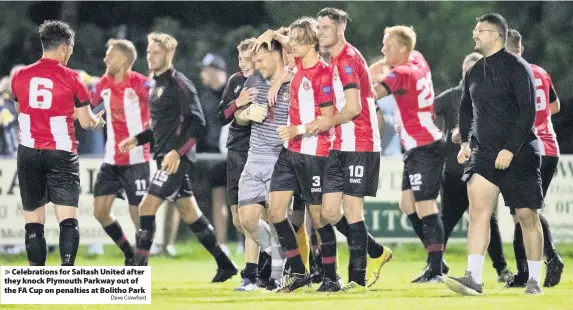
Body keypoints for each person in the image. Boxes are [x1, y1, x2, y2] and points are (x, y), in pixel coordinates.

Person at [118, 32, 237, 282]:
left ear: (169, 54)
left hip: (176, 159)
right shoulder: (156, 85)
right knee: (190, 212)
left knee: (146, 207)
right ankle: (225, 265)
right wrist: (138, 139)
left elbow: (197, 123)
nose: (150, 57)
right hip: (163, 156)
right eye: (148, 52)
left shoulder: (179, 83)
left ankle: (137, 271)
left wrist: (177, 152)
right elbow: (161, 128)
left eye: (156, 52)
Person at [445, 13, 544, 296]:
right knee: (478, 213)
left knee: (526, 216)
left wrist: (510, 149)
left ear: (496, 35)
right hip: (485, 155)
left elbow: (528, 112)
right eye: (475, 30)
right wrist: (465, 143)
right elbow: (465, 110)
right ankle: (473, 278)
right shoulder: (474, 72)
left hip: (520, 153)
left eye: (480, 31)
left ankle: (534, 280)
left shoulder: (517, 67)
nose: (475, 35)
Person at [310, 8, 392, 292]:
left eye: (325, 27)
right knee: (330, 212)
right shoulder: (332, 61)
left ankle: (357, 279)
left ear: (340, 29)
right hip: (339, 144)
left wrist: (326, 122)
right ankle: (376, 251)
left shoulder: (347, 59)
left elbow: (355, 107)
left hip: (360, 142)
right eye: (318, 28)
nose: (320, 32)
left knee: (353, 210)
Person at [12, 20, 105, 266]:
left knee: (33, 221)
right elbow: (86, 122)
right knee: (67, 219)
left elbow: (22, 111)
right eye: (71, 50)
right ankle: (65, 274)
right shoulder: (74, 78)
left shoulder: (20, 76)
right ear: (64, 47)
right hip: (61, 151)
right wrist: (97, 122)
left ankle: (36, 279)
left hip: (29, 151)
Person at [372, 26, 446, 283]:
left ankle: (435, 269)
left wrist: (360, 81)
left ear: (403, 48)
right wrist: (383, 63)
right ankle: (437, 258)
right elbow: (393, 61)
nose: (383, 50)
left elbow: (371, 95)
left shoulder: (401, 73)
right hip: (417, 146)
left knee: (425, 205)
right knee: (407, 204)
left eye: (388, 46)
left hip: (424, 145)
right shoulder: (417, 60)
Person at [435, 52, 513, 283]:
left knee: (488, 222)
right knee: (445, 222)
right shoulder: (450, 97)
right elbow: (426, 114)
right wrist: (444, 137)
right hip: (454, 171)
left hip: (483, 170)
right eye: (468, 70)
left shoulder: (492, 97)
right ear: (463, 72)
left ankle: (502, 270)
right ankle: (434, 266)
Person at [504, 29, 564, 288]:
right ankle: (525, 272)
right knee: (524, 212)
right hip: (550, 147)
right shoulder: (540, 71)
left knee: (525, 212)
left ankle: (549, 258)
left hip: (527, 148)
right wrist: (541, 119)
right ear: (522, 47)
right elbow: (555, 106)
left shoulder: (508, 75)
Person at [233, 34, 290, 292]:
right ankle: (280, 255)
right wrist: (246, 114)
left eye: (260, 59)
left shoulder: (294, 78)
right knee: (246, 219)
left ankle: (279, 272)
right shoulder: (255, 80)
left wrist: (282, 78)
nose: (256, 65)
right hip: (255, 157)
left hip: (280, 158)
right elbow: (238, 118)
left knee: (278, 216)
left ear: (276, 54)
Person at [217, 37, 272, 291]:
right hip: (236, 152)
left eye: (249, 58)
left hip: (259, 152)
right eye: (240, 59)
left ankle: (256, 272)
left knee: (256, 216)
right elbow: (221, 116)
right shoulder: (236, 81)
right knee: (240, 220)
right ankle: (269, 260)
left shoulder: (267, 80)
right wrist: (239, 103)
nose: (245, 64)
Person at [90, 39, 151, 266]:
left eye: (110, 55)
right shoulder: (102, 83)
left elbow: (162, 107)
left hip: (136, 159)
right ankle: (128, 252)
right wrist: (91, 119)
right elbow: (85, 106)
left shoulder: (141, 84)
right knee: (100, 211)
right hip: (111, 160)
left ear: (124, 59)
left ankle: (141, 264)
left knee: (139, 216)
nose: (106, 58)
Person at [198, 53, 230, 254]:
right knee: (218, 196)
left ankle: (249, 241)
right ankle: (222, 243)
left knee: (241, 201)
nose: (204, 74)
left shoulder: (233, 92)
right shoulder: (205, 96)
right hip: (213, 155)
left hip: (235, 152)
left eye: (207, 70)